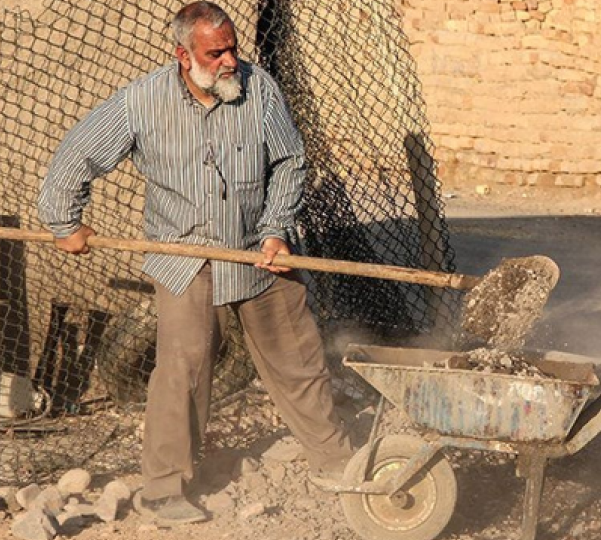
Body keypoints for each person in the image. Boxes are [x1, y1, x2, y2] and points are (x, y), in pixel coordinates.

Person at [38, 1, 353, 525]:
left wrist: (276, 228)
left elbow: (290, 161)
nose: (230, 60)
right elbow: (77, 155)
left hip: (258, 252)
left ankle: (338, 463)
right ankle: (163, 490)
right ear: (183, 55)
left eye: (233, 48)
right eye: (216, 52)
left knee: (299, 361)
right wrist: (64, 223)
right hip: (185, 259)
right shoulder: (141, 102)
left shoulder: (261, 90)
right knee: (181, 373)